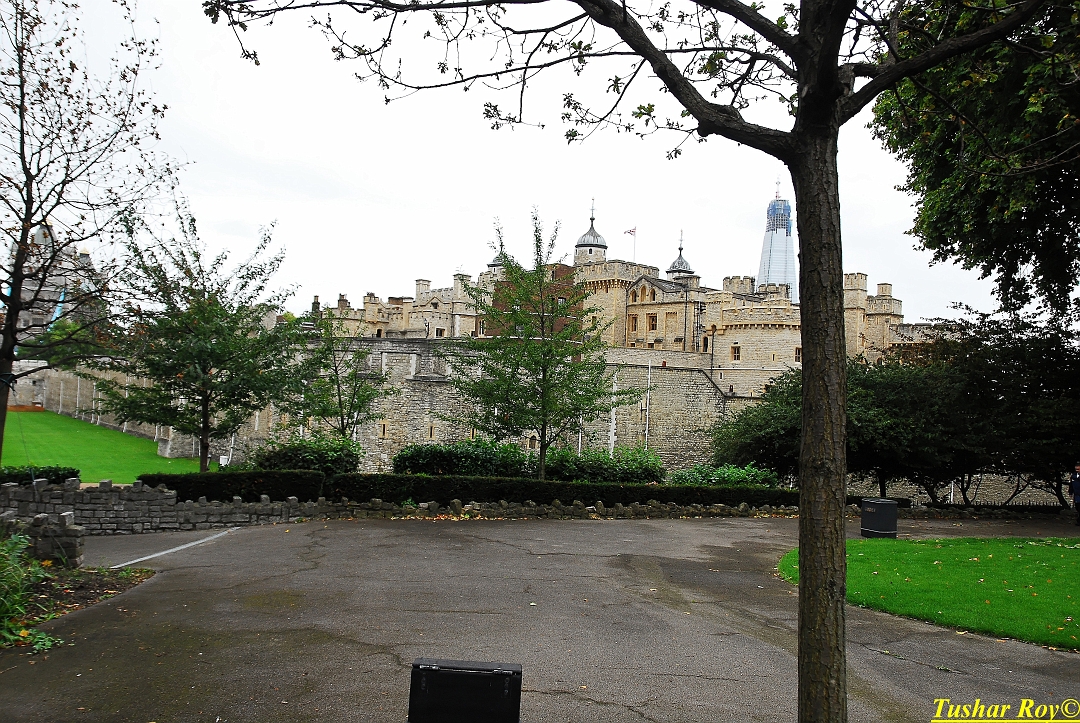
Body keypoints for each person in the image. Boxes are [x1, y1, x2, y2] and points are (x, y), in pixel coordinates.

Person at [1072, 461, 1080, 526]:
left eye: (1078, 469)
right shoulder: (1073, 476)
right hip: (1077, 494)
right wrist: (1070, 492)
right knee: (1078, 507)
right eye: (1076, 469)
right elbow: (1071, 485)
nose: (1077, 470)